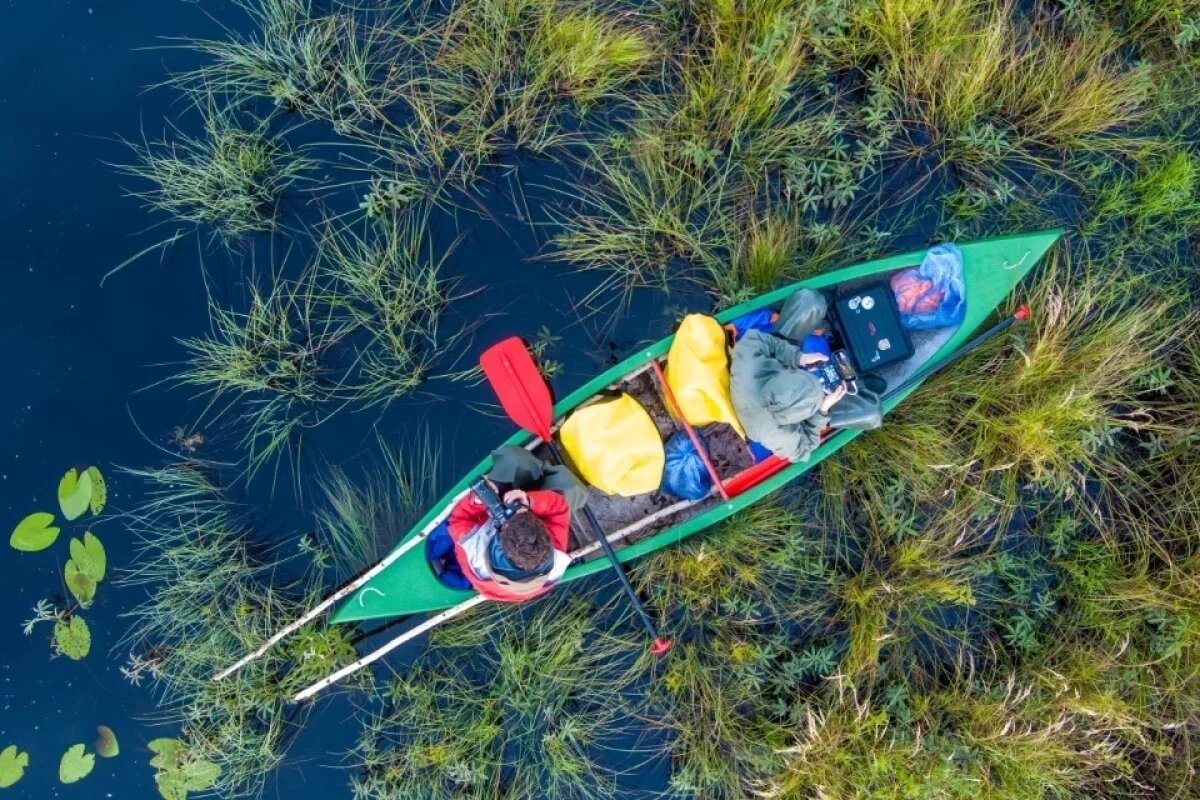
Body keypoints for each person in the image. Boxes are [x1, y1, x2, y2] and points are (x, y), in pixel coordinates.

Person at [730, 288, 882, 463]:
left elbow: (756, 339)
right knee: (872, 413)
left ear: (785, 376)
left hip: (778, 366)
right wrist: (823, 410)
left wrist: (798, 357)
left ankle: (852, 382)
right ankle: (860, 385)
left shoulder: (748, 364)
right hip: (805, 410)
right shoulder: (781, 437)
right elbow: (805, 450)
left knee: (811, 301)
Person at [433, 445, 587, 602]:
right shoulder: (556, 553)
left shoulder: (471, 548)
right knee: (570, 487)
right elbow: (559, 508)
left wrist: (477, 502)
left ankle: (533, 466)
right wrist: (529, 502)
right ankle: (546, 470)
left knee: (513, 460)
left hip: (500, 506)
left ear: (498, 544)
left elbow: (459, 519)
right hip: (525, 503)